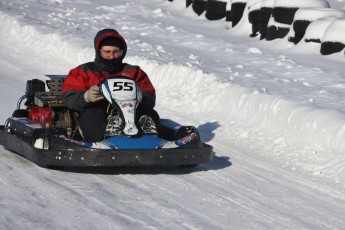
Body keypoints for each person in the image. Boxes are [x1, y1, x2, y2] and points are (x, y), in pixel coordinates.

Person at [62, 28, 159, 142]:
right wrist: (86, 97)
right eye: (107, 52)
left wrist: (138, 97)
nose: (112, 56)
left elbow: (149, 95)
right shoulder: (83, 71)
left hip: (131, 111)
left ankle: (150, 142)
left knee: (150, 115)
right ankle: (106, 140)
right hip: (96, 110)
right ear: (99, 51)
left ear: (123, 51)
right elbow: (69, 97)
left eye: (116, 52)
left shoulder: (134, 72)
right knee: (93, 120)